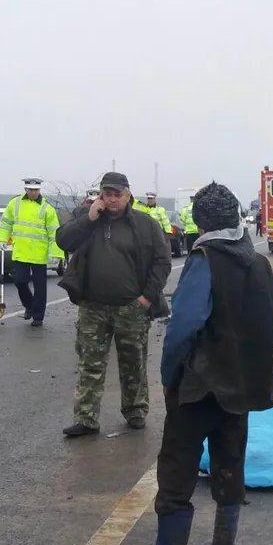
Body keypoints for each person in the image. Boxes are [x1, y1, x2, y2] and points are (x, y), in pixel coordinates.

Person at [120, 182, 273, 545]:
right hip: (241, 386)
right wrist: (250, 364)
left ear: (200, 222)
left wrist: (169, 375)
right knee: (230, 460)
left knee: (178, 464)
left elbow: (184, 326)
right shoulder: (261, 265)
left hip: (199, 386)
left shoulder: (204, 259)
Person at [55, 172, 172, 436]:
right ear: (100, 195)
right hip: (93, 306)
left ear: (128, 195)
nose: (112, 199)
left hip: (131, 306)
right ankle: (86, 418)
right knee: (90, 363)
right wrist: (89, 218)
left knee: (133, 362)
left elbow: (162, 261)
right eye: (107, 194)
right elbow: (63, 240)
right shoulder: (87, 219)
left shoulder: (145, 224)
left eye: (117, 194)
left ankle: (135, 409)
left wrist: (147, 297)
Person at [0, 178, 64, 327]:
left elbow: (54, 232)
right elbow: (6, 223)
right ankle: (29, 305)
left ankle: (38, 317)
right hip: (21, 252)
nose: (33, 192)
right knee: (20, 281)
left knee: (40, 288)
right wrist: (2, 238)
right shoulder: (15, 203)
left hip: (39, 254)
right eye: (30, 190)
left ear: (39, 190)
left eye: (36, 190)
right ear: (25, 189)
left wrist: (56, 253)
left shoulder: (47, 208)